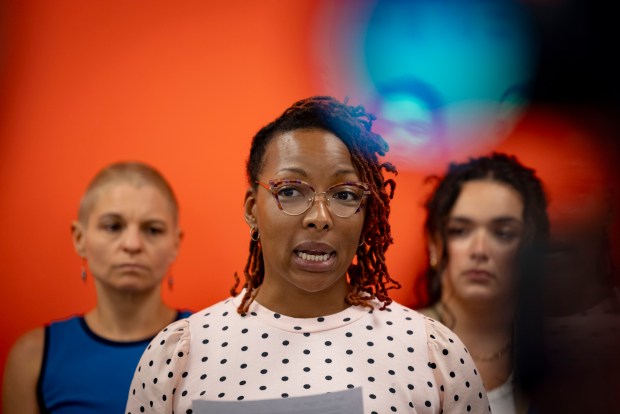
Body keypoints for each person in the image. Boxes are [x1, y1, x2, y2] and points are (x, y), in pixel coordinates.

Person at [125, 96, 490, 414]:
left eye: (345, 194)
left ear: (368, 215)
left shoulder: (430, 351)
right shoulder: (179, 355)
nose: (319, 217)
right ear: (253, 209)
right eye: (291, 191)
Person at [2, 162, 192, 414]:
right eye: (113, 226)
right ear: (79, 238)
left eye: (153, 230)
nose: (133, 244)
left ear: (175, 245)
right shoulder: (32, 358)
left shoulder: (209, 341)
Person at [416, 153, 549, 414]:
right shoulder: (394, 341)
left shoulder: (561, 354)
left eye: (503, 233)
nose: (479, 250)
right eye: (460, 230)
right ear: (434, 243)